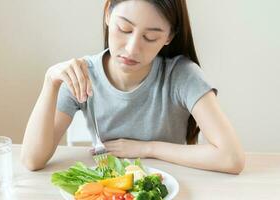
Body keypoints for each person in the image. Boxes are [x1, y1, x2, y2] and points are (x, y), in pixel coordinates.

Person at [21, 0, 245, 174]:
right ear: (108, 13)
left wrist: (146, 148)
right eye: (125, 29)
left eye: (150, 37)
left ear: (169, 37)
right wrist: (50, 82)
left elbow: (232, 158)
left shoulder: (182, 75)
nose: (132, 48)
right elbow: (32, 160)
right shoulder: (82, 74)